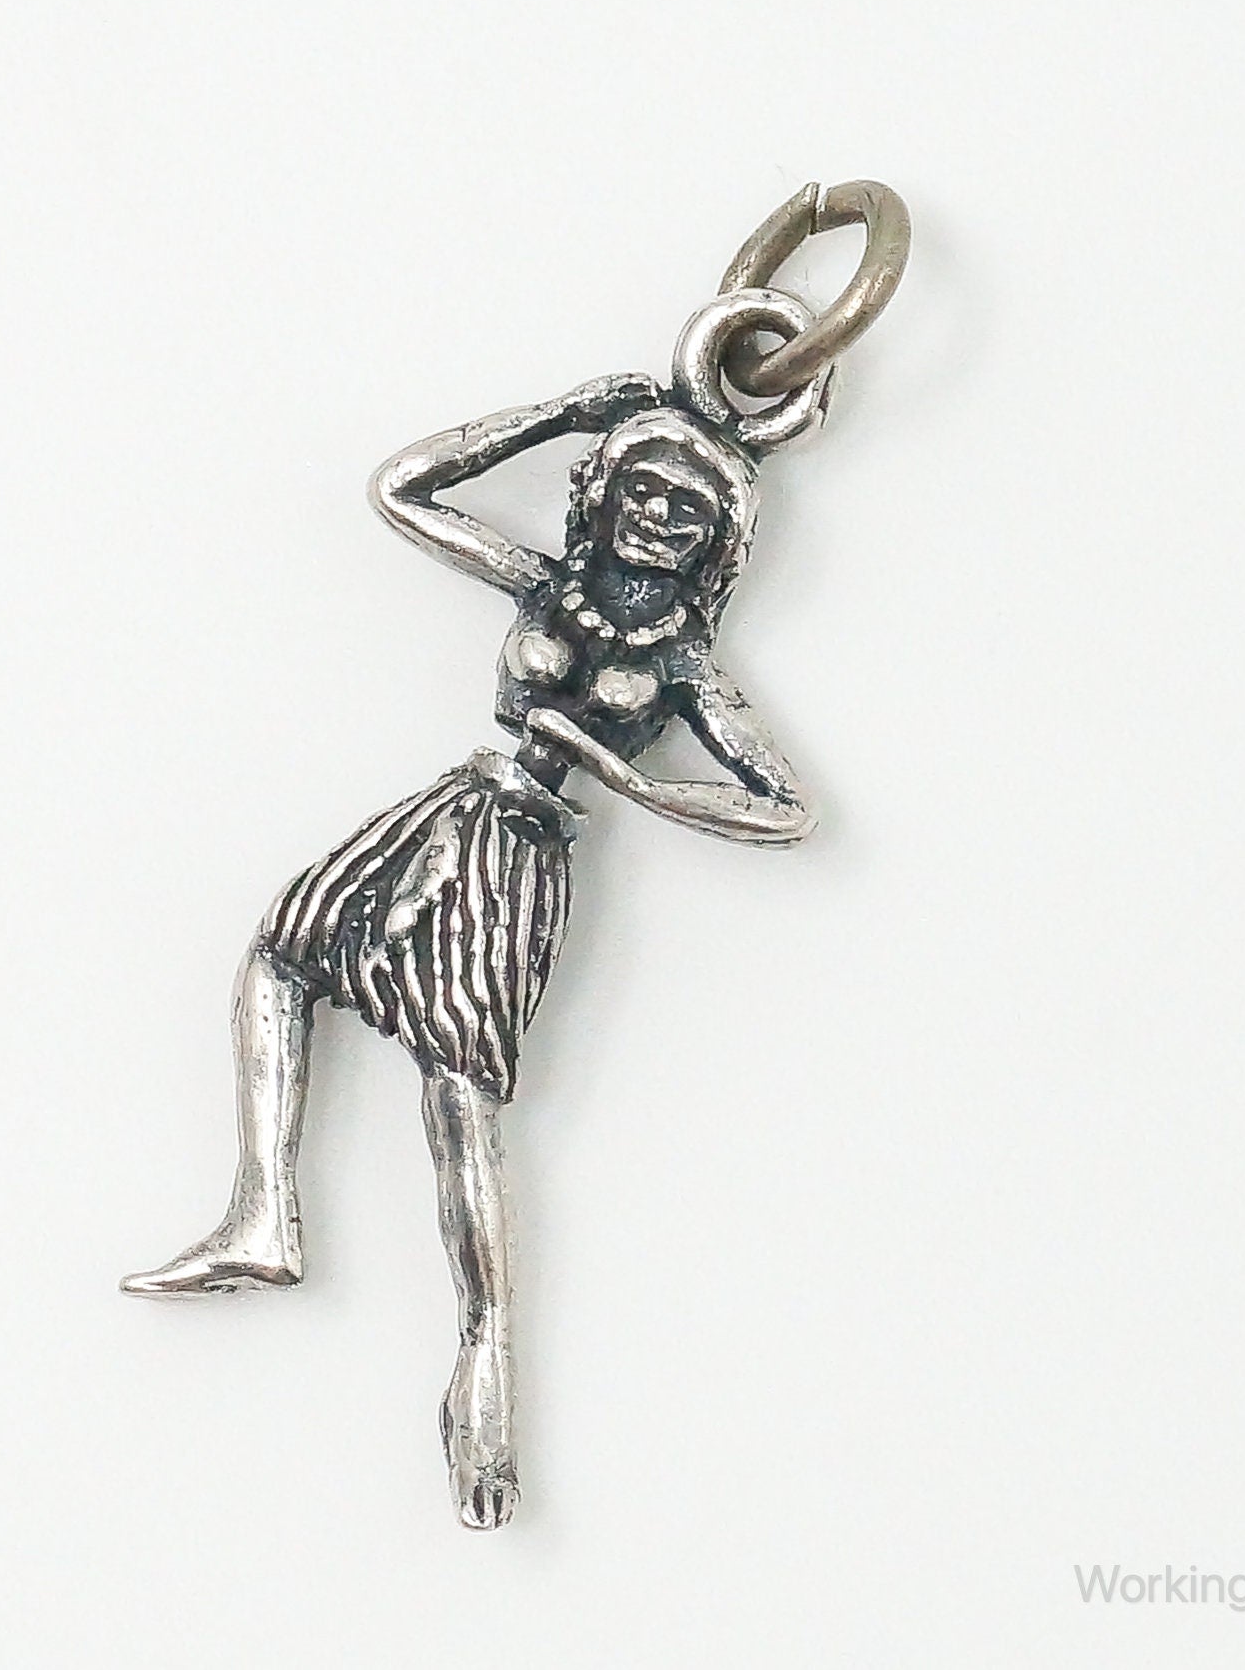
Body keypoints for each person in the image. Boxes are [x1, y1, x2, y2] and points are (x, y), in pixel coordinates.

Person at [122, 370, 815, 1529]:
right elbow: (402, 490)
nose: (656, 517)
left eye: (686, 512)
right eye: (640, 490)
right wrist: (565, 413)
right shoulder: (545, 584)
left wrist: (625, 778)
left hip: (524, 857)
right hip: (451, 807)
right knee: (280, 954)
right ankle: (263, 1213)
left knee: (456, 1101)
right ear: (599, 495)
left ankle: (484, 1361)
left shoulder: (687, 663)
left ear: (714, 546)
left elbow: (784, 808)